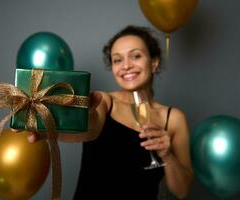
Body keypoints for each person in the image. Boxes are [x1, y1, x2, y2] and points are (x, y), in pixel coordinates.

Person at [28, 25, 194, 200]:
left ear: (154, 62)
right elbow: (89, 129)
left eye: (136, 56)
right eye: (117, 60)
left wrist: (167, 155)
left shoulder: (174, 119)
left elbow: (182, 191)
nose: (126, 66)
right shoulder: (105, 101)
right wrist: (50, 131)